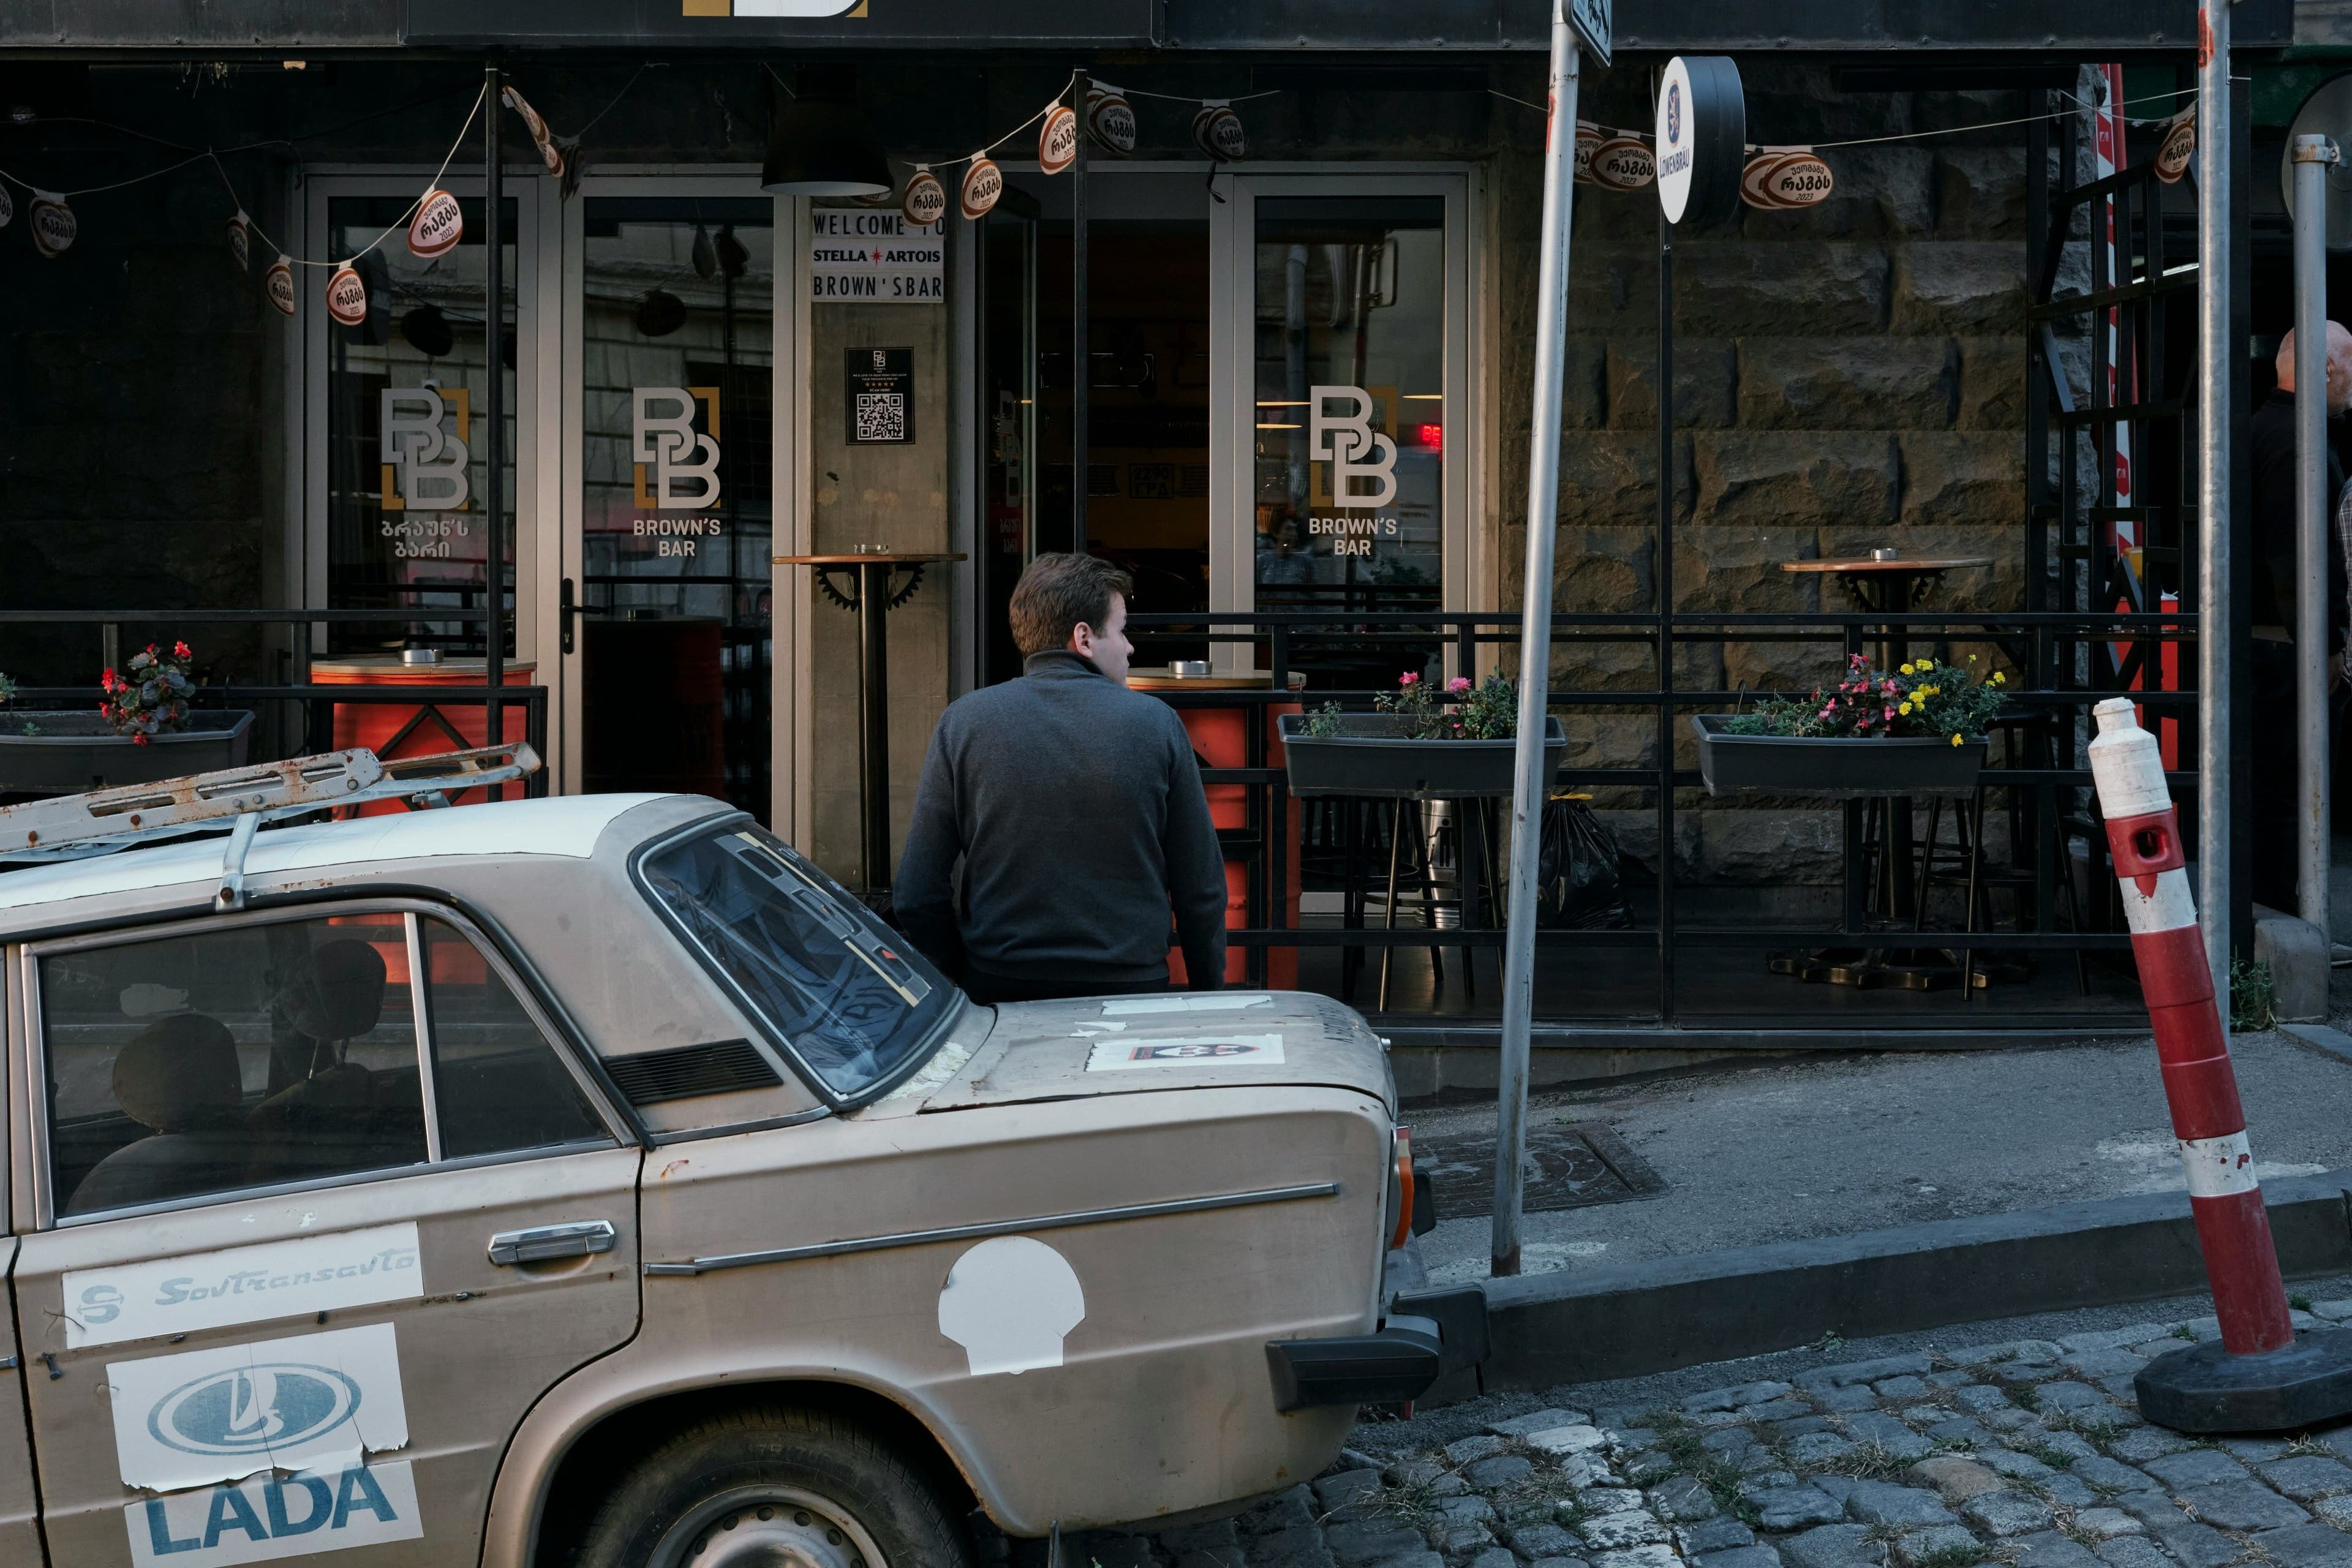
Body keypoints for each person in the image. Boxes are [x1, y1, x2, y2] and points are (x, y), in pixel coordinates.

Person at [894, 552, 1228, 1004]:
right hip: (1132, 987)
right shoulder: (1157, 723)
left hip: (1000, 985)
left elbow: (917, 892)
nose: (1130, 647)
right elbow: (1200, 888)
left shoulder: (965, 722)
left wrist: (961, 974)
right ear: (1084, 638)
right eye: (1122, 629)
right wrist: (1209, 994)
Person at [2247, 322, 2352, 913]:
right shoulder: (2296, 443)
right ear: (2329, 368)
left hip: (2271, 645)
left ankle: (2276, 917)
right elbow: (2301, 559)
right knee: (2292, 791)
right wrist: (2327, 646)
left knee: (2274, 791)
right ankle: (2286, 923)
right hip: (2288, 650)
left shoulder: (2267, 428)